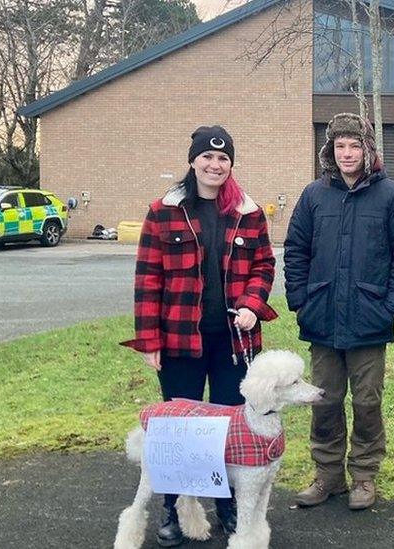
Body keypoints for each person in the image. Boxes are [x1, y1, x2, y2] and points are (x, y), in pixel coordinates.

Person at [120, 125, 277, 546]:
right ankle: (175, 510)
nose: (215, 164)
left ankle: (226, 508)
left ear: (231, 165)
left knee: (231, 430)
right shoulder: (163, 211)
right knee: (180, 434)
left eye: (223, 158)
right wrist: (149, 339)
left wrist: (251, 304)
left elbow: (264, 266)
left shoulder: (248, 211)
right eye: (207, 157)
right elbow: (148, 279)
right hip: (179, 341)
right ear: (193, 160)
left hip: (233, 343)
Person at [284, 113, 394, 511]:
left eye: (354, 145)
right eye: (339, 146)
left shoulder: (390, 195)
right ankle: (327, 475)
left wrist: (390, 307)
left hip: (369, 319)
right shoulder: (313, 195)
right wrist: (300, 301)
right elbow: (295, 250)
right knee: (324, 400)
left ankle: (363, 475)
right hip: (321, 317)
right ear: (330, 150)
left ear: (367, 150)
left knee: (367, 402)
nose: (346, 153)